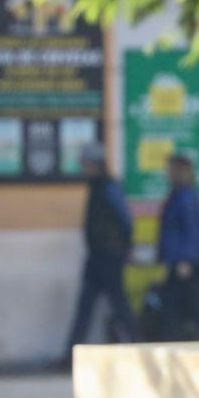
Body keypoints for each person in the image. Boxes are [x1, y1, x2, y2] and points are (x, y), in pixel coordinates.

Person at [62, 144, 137, 361]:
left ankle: (138, 345)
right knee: (86, 306)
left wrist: (127, 246)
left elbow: (125, 219)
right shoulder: (97, 187)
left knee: (119, 305)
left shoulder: (108, 188)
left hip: (109, 256)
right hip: (98, 255)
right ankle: (70, 355)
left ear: (95, 165)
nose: (84, 169)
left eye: (86, 164)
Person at [154, 154, 199, 338]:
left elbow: (192, 230)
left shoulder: (185, 197)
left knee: (192, 310)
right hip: (176, 259)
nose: (167, 174)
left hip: (182, 262)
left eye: (170, 170)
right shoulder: (178, 195)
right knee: (175, 308)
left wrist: (187, 260)